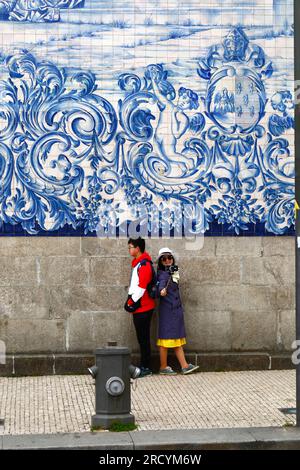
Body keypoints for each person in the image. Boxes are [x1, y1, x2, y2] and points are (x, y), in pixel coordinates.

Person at [156, 247, 199, 375]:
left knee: (173, 339)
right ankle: (172, 366)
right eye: (164, 259)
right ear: (161, 262)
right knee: (167, 339)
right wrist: (161, 291)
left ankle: (176, 366)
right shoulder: (162, 274)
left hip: (174, 311)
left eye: (169, 258)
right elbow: (160, 286)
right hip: (169, 311)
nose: (168, 260)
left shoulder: (172, 272)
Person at [124, 237, 155, 377]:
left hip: (143, 307)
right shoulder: (138, 264)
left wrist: (131, 303)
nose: (129, 249)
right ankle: (144, 365)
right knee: (141, 338)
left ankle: (146, 367)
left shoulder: (144, 265)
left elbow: (141, 287)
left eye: (131, 247)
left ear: (138, 248)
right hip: (139, 306)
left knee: (144, 338)